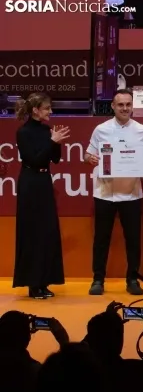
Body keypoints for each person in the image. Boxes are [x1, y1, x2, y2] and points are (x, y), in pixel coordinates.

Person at [84, 89, 143, 296]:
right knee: (101, 238)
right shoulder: (101, 129)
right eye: (120, 104)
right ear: (113, 106)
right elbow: (88, 154)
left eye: (128, 104)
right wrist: (90, 159)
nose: (125, 108)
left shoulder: (141, 130)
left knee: (133, 239)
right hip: (105, 192)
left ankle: (132, 279)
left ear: (132, 107)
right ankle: (98, 279)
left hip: (131, 193)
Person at [13, 93, 69, 299]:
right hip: (30, 183)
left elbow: (55, 159)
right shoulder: (23, 132)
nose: (50, 111)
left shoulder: (46, 130)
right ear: (36, 110)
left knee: (47, 232)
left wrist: (56, 143)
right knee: (32, 232)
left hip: (45, 182)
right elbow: (33, 159)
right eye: (47, 108)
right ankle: (33, 284)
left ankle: (45, 281)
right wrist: (51, 141)